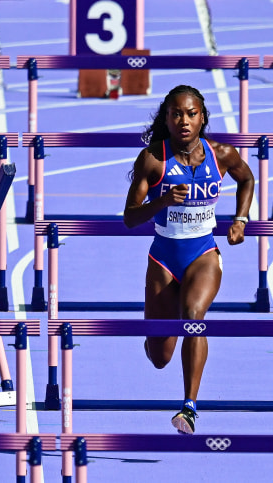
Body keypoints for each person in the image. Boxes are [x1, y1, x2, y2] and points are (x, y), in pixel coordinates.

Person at [123, 85, 254, 434]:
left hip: (203, 254)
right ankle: (155, 341)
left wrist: (241, 219)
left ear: (202, 118)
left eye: (191, 114)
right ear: (166, 119)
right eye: (177, 114)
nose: (184, 120)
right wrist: (162, 201)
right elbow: (130, 217)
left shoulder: (222, 154)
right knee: (160, 357)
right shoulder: (153, 159)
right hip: (164, 259)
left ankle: (189, 408)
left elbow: (247, 179)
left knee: (194, 316)